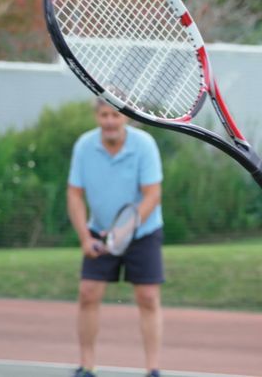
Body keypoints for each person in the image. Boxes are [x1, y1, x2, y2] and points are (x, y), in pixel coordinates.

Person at [67, 98, 164, 377]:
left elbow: (152, 195)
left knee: (147, 297)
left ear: (127, 118)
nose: (110, 121)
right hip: (98, 230)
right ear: (97, 116)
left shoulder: (144, 145)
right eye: (104, 115)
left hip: (143, 232)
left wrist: (124, 230)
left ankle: (152, 370)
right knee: (88, 293)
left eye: (116, 115)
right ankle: (86, 367)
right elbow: (74, 194)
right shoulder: (84, 146)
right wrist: (85, 237)